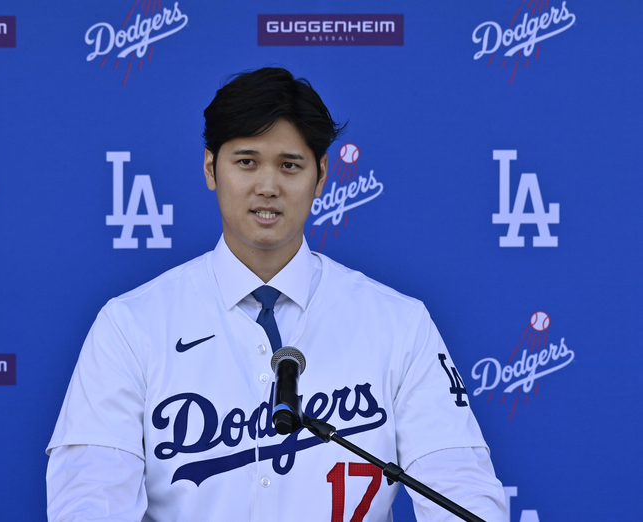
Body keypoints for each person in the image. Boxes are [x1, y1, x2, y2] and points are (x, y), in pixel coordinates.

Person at [46, 67, 508, 522]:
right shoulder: (131, 325)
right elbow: (89, 504)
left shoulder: (399, 324)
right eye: (246, 161)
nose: (267, 187)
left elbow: (462, 491)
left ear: (321, 175)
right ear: (210, 168)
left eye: (289, 165)